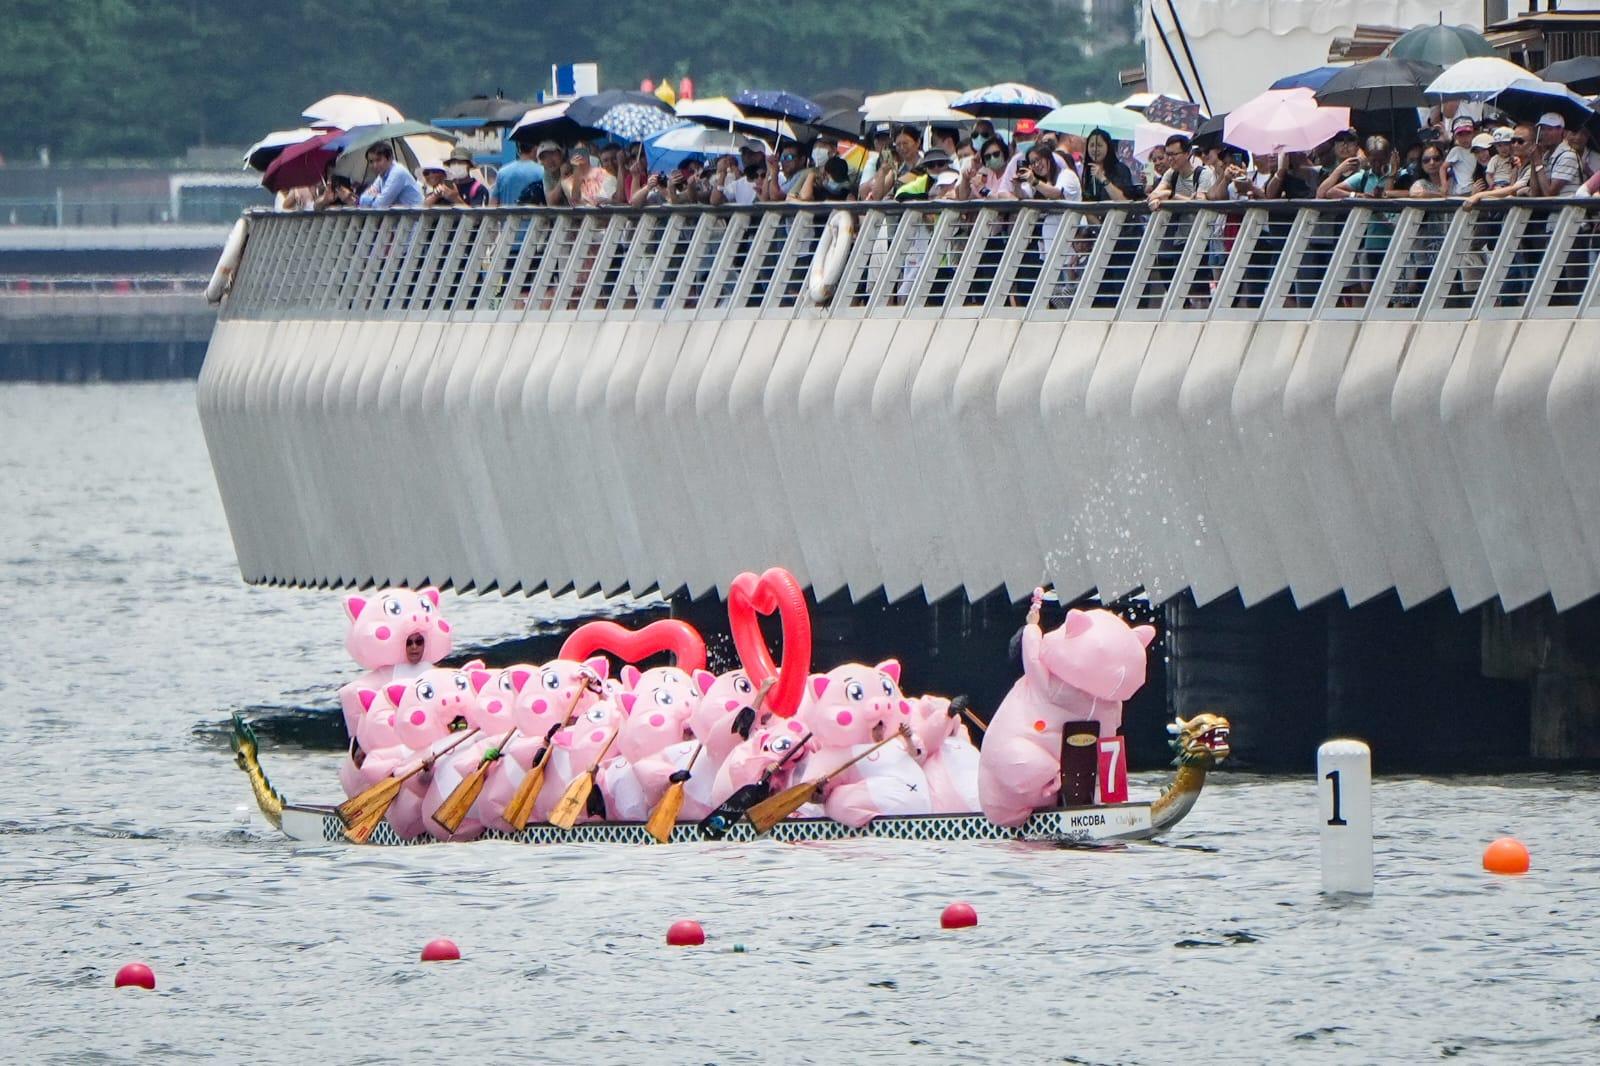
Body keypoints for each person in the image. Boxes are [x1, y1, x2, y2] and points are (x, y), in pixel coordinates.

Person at [1146, 135, 1212, 206]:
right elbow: (1155, 193)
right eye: (1168, 154)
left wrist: (1170, 194)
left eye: (1174, 154)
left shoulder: (1203, 174)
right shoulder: (1171, 173)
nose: (1170, 158)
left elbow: (1200, 204)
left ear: (1187, 154)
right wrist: (1156, 199)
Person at [1527, 113, 1579, 197]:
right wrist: (1534, 162)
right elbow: (1534, 194)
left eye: (1550, 129)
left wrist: (1538, 163)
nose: (1545, 133)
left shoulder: (1568, 155)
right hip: (1550, 208)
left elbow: (1549, 194)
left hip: (1567, 208)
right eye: (1542, 129)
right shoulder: (1545, 157)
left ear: (1560, 131)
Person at [357, 142, 424, 208]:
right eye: (371, 161)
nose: (375, 165)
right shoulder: (382, 174)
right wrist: (376, 197)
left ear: (390, 158)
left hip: (417, 216)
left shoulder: (397, 172)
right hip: (402, 217)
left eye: (378, 160)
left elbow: (380, 205)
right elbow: (362, 201)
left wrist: (374, 197)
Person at [1081, 128, 1135, 202]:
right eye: (1092, 145)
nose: (1095, 149)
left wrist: (1102, 178)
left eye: (1099, 145)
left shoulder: (1120, 169)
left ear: (1108, 147)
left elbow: (1123, 201)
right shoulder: (1088, 171)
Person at [490, 139, 547, 207]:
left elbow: (493, 204)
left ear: (519, 150)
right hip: (533, 216)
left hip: (507, 216)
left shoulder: (502, 172)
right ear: (535, 148)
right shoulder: (542, 171)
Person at [956, 135, 1013, 200]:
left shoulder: (1012, 172)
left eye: (996, 154)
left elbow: (1004, 198)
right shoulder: (985, 175)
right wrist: (965, 179)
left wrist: (982, 189)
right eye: (988, 157)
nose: (992, 158)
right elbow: (963, 197)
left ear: (1004, 153)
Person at [1443, 116, 1478, 195]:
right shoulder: (1456, 151)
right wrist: (1444, 184)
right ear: (1455, 136)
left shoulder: (1478, 149)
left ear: (1474, 133)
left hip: (1477, 186)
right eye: (1460, 135)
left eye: (1468, 133)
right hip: (1463, 189)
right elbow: (1443, 168)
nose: (1464, 138)